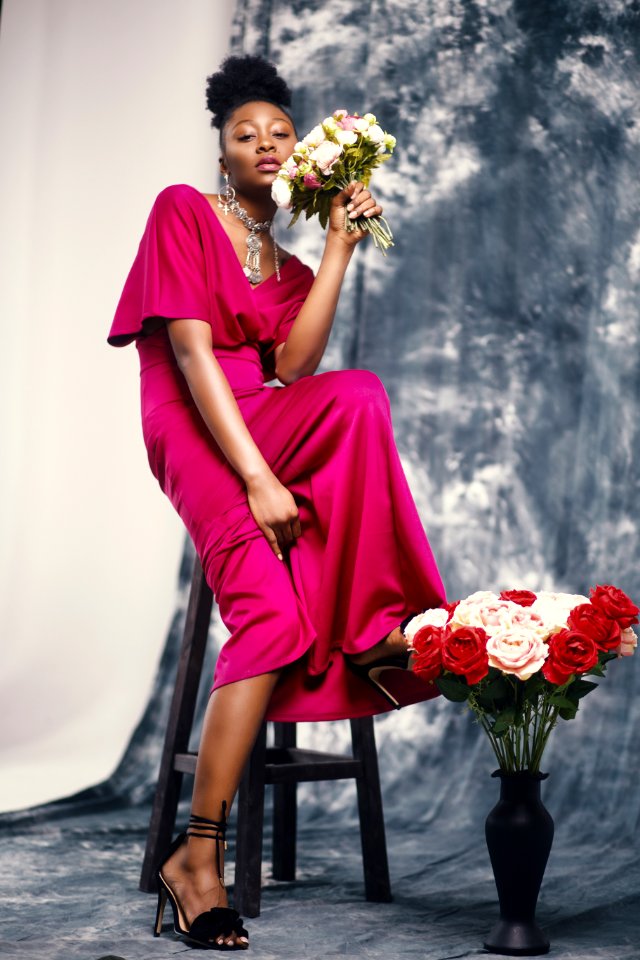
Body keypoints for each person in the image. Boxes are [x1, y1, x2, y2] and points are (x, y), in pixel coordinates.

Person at [108, 54, 445, 951]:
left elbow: (293, 370)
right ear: (221, 152)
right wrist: (256, 477)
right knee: (270, 621)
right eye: (244, 133)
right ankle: (199, 857)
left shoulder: (287, 260)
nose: (263, 142)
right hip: (194, 423)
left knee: (360, 392)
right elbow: (189, 357)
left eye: (279, 132)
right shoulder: (184, 210)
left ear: (298, 154)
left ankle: (379, 623)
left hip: (263, 414)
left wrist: (337, 242)